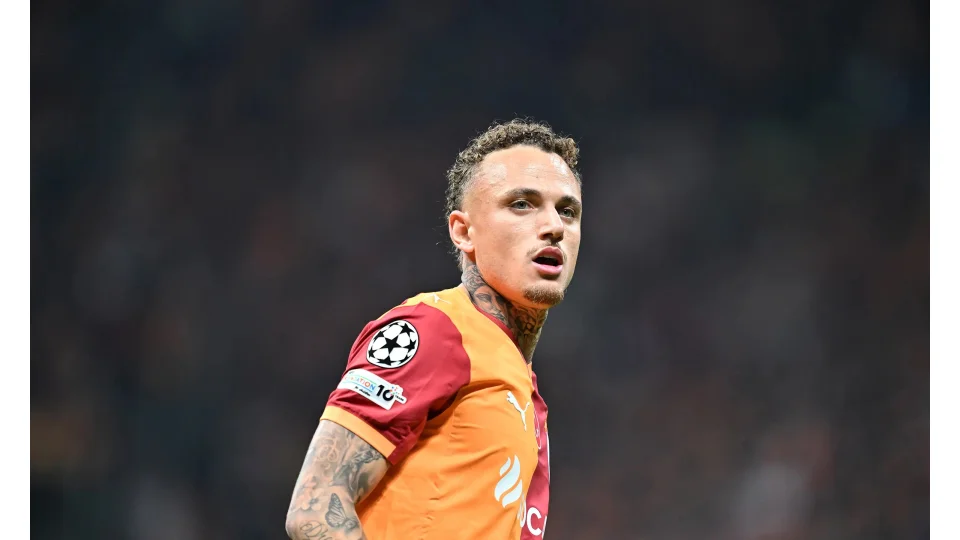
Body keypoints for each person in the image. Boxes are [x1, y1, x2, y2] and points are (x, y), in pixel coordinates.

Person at [285, 118, 583, 540]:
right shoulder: (435, 329)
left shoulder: (520, 380)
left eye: (567, 211)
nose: (554, 225)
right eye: (522, 204)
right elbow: (314, 510)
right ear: (464, 231)